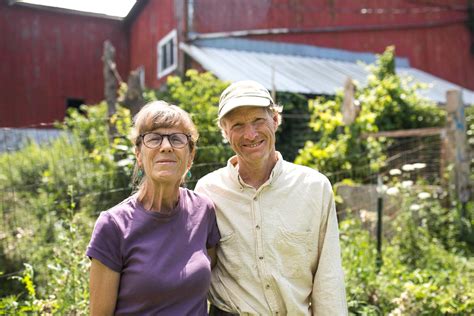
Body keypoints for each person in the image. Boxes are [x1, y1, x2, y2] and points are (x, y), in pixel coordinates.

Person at [195, 80, 348, 315]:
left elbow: (328, 277)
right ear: (225, 132)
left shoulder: (314, 188)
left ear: (275, 120)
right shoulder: (208, 191)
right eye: (237, 125)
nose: (250, 134)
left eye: (258, 121)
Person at [86, 101, 220, 315]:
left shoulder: (204, 211)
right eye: (154, 138)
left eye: (177, 139)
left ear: (190, 156)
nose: (166, 146)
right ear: (139, 155)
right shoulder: (113, 226)